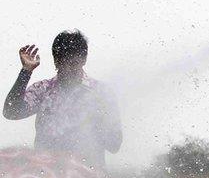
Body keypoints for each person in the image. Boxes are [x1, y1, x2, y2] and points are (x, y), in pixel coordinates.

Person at [4, 30, 122, 167]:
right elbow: (11, 112)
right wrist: (26, 72)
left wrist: (97, 119)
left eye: (73, 63)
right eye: (63, 63)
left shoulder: (101, 93)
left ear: (84, 60)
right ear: (55, 61)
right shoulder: (43, 90)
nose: (68, 69)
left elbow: (115, 145)